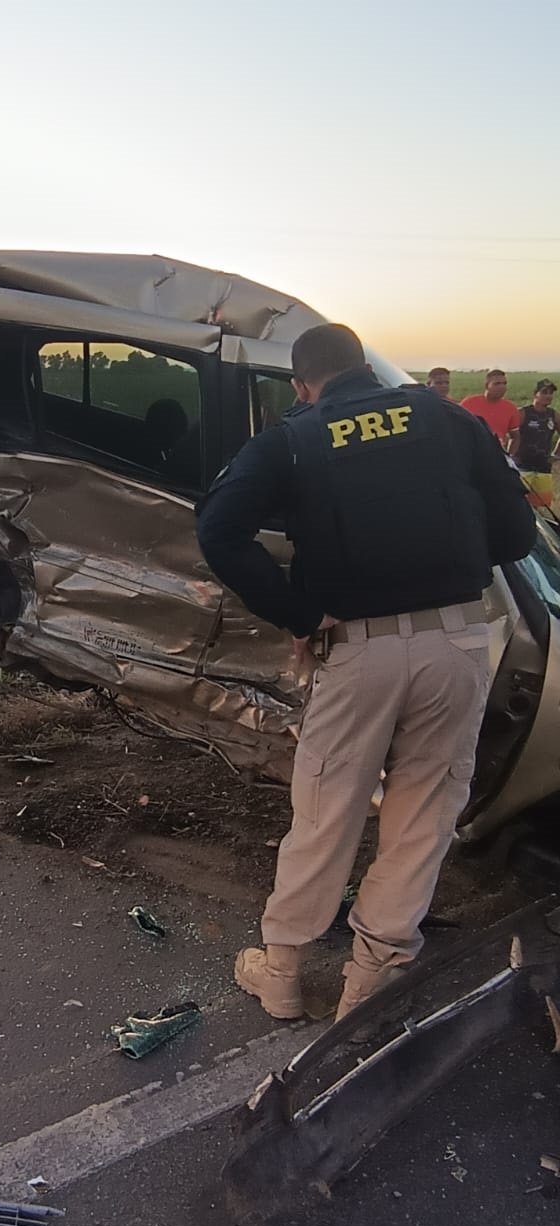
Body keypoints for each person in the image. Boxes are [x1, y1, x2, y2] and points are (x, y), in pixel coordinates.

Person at [196, 324, 535, 1025]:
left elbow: (219, 528)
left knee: (326, 806)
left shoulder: (295, 435)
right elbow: (517, 533)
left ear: (302, 383)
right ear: (365, 369)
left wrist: (296, 611)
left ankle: (282, 970)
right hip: (455, 642)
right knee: (423, 812)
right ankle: (373, 976)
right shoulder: (446, 415)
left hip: (356, 648)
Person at [507, 378, 558, 508]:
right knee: (517, 504)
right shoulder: (523, 413)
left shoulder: (554, 415)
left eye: (551, 393)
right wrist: (509, 457)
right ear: (535, 394)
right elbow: (511, 435)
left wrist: (556, 454)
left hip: (543, 468)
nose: (548, 396)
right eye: (544, 392)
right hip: (522, 467)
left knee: (541, 508)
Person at [460, 370, 521, 446]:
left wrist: (509, 455)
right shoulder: (468, 403)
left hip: (496, 453)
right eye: (497, 384)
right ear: (486, 385)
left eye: (504, 383)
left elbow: (515, 436)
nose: (502, 387)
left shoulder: (510, 407)